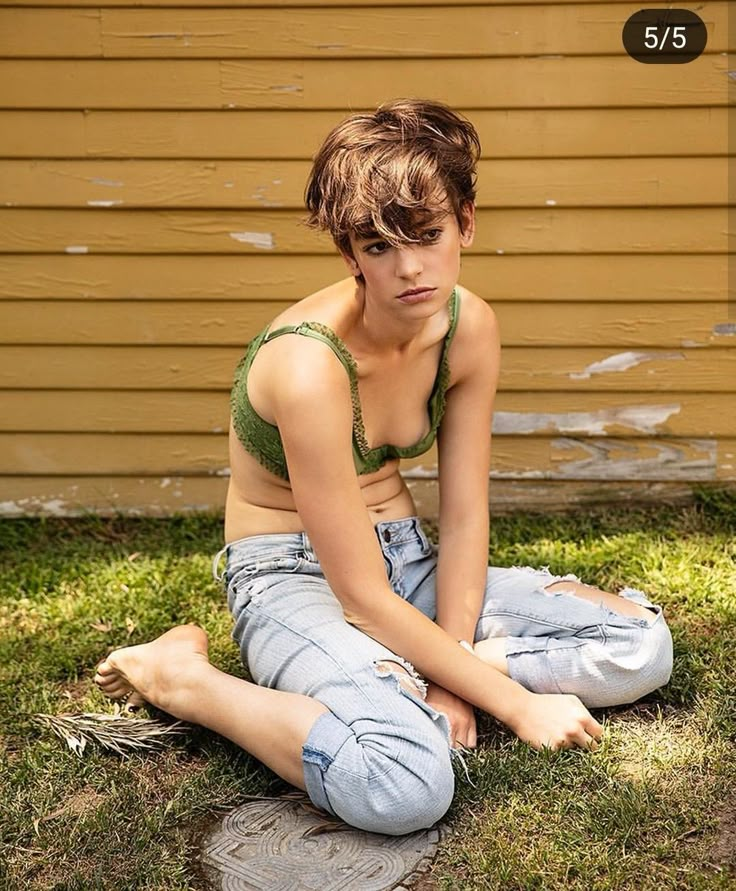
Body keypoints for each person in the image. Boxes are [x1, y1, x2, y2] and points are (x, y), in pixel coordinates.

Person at [94, 98, 674, 836]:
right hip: (296, 576)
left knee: (640, 645)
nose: (408, 268)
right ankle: (186, 678)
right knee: (402, 783)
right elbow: (360, 596)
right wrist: (516, 702)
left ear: (465, 222)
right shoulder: (307, 365)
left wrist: (452, 671)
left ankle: (404, 678)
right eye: (376, 247)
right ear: (349, 254)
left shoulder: (470, 327)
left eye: (428, 235)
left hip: (406, 559)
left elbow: (463, 516)